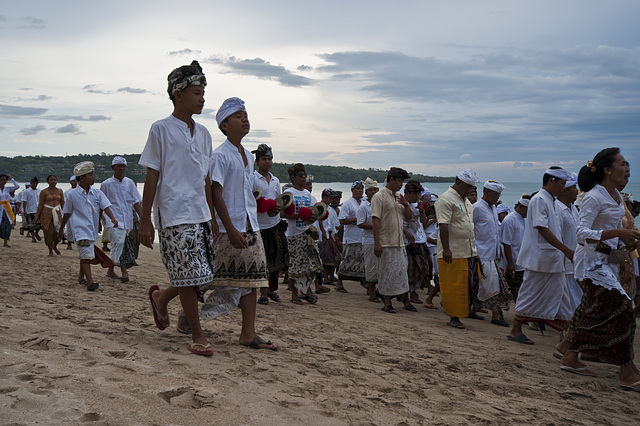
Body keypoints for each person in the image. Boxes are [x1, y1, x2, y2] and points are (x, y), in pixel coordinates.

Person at [139, 60, 215, 356]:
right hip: (173, 213)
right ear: (177, 94)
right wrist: (145, 219)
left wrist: (214, 218)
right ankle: (198, 334)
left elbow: (205, 179)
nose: (202, 98)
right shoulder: (161, 129)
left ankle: (160, 298)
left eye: (203, 92)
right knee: (190, 276)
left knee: (204, 275)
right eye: (197, 92)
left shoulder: (205, 134)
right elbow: (152, 174)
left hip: (201, 214)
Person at [196, 97, 276, 351]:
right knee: (207, 275)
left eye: (245, 115)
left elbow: (246, 194)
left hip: (250, 225)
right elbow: (215, 192)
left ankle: (248, 333)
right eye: (238, 116)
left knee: (252, 277)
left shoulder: (247, 157)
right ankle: (170, 301)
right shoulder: (220, 155)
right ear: (224, 125)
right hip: (227, 227)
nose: (245, 119)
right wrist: (228, 228)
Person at [557, 148, 640, 390]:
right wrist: (619, 233)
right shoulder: (594, 196)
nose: (627, 169)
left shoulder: (615, 196)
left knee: (597, 312)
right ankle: (626, 370)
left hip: (606, 261)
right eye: (623, 164)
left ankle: (570, 356)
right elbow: (582, 235)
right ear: (608, 169)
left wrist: (625, 250)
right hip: (590, 264)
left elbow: (611, 239)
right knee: (624, 308)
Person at [507, 167, 574, 345]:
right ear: (551, 181)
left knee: (561, 295)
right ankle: (515, 330)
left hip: (552, 260)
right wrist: (565, 249)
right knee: (529, 294)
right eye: (562, 184)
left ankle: (566, 338)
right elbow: (541, 228)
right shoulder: (539, 200)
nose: (564, 188)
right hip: (540, 259)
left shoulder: (551, 201)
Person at [58, 162, 118, 291]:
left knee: (85, 252)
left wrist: (112, 218)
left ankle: (81, 277)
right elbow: (67, 213)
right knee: (85, 252)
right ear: (82, 178)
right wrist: (61, 229)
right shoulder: (72, 195)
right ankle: (90, 281)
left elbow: (105, 206)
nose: (93, 177)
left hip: (91, 229)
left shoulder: (96, 193)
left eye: (92, 174)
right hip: (79, 229)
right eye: (90, 175)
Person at [435, 169, 481, 329]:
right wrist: (447, 249)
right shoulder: (446, 199)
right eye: (468, 187)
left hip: (468, 250)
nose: (470, 191)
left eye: (472, 188)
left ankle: (466, 311)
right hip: (453, 252)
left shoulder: (466, 201)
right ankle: (453, 317)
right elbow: (443, 225)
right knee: (455, 286)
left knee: (469, 284)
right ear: (458, 183)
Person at [371, 167, 415, 313]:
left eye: (402, 181)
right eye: (399, 181)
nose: (401, 184)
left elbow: (408, 217)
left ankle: (405, 300)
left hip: (399, 242)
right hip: (386, 241)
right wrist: (377, 243)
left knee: (401, 272)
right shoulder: (379, 196)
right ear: (391, 180)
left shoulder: (399, 197)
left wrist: (406, 204)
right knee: (387, 273)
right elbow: (375, 221)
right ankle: (387, 303)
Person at [281, 163, 322, 304]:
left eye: (305, 175)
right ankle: (294, 294)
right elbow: (281, 213)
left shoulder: (307, 194)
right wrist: (298, 216)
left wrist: (313, 216)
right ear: (293, 177)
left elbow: (313, 211)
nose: (304, 178)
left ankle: (306, 289)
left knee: (312, 264)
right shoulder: (289, 193)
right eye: (300, 175)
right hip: (293, 234)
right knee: (295, 265)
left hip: (307, 233)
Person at [253, 143, 288, 305]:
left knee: (276, 259)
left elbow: (278, 200)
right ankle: (263, 293)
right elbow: (250, 200)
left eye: (269, 159)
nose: (267, 162)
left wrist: (277, 210)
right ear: (257, 162)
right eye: (264, 159)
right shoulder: (253, 178)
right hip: (258, 225)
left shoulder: (275, 180)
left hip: (274, 223)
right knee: (262, 260)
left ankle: (271, 290)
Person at [473, 180, 512, 327]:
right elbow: (470, 229)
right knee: (491, 285)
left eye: (499, 195)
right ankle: (496, 314)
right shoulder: (477, 208)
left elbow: (495, 232)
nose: (497, 197)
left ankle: (494, 313)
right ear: (486, 192)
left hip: (493, 254)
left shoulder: (493, 208)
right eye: (495, 194)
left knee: (493, 285)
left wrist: (499, 251)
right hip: (481, 253)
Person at [100, 156, 142, 282]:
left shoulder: (129, 183)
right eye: (118, 166)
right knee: (118, 242)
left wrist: (143, 218)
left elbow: (136, 202)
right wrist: (98, 221)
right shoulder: (106, 184)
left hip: (128, 219)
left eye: (123, 166)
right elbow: (101, 204)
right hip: (113, 219)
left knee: (122, 244)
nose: (121, 168)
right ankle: (119, 269)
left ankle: (112, 270)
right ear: (113, 167)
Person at [555, 173, 583, 314]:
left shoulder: (573, 210)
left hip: (575, 261)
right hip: (564, 263)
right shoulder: (557, 209)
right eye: (574, 187)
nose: (577, 191)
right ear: (564, 190)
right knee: (569, 301)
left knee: (575, 298)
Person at [402, 180, 432, 304]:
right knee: (411, 268)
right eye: (415, 194)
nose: (417, 197)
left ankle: (416, 291)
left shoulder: (417, 204)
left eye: (419, 194)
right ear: (407, 193)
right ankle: (411, 293)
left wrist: (421, 211)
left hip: (420, 238)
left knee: (424, 266)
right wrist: (405, 232)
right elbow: (401, 220)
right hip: (407, 241)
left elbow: (423, 222)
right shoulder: (401, 204)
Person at [336, 181, 366, 293]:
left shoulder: (364, 202)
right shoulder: (347, 203)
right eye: (358, 188)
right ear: (352, 190)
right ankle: (339, 282)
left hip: (363, 237)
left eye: (361, 189)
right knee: (347, 260)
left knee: (363, 261)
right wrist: (358, 219)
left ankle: (365, 281)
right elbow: (342, 220)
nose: (360, 191)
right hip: (351, 238)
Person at [501, 195, 530, 300]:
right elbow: (506, 243)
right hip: (514, 262)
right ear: (521, 206)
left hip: (524, 262)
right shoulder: (509, 220)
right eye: (528, 209)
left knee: (523, 292)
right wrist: (510, 263)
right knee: (514, 292)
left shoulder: (525, 220)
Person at [357, 177, 380, 302]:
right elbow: (360, 223)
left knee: (380, 266)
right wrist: (376, 226)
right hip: (369, 240)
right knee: (371, 266)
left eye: (375, 189)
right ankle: (371, 293)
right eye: (371, 190)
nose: (374, 192)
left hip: (380, 238)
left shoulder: (380, 204)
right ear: (366, 193)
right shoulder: (363, 207)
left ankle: (376, 289)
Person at [35, 175, 65, 256]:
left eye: (55, 180)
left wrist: (66, 215)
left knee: (59, 233)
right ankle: (50, 251)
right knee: (48, 233)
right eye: (51, 180)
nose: (53, 181)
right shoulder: (44, 192)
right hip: (46, 214)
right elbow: (40, 204)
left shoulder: (60, 191)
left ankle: (54, 246)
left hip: (57, 214)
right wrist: (36, 216)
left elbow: (63, 204)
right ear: (48, 181)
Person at [0, 174, 20, 247]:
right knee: (1, 225)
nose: (3, 181)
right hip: (0, 209)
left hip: (7, 209)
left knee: (7, 225)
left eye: (5, 180)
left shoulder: (7, 189)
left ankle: (5, 242)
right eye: (1, 180)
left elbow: (17, 186)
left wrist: (11, 179)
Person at [21, 177, 42, 242]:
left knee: (40, 224)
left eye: (36, 183)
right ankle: (33, 237)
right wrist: (24, 210)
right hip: (30, 209)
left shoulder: (39, 191)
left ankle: (36, 233)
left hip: (38, 210)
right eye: (33, 183)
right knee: (31, 224)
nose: (35, 184)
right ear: (31, 183)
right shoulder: (26, 191)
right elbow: (24, 201)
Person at [63, 176, 78, 250]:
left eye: (76, 181)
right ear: (70, 182)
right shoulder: (67, 192)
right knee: (69, 228)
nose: (74, 182)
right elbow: (65, 203)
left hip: (78, 213)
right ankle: (69, 243)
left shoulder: (80, 191)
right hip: (70, 213)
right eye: (73, 181)